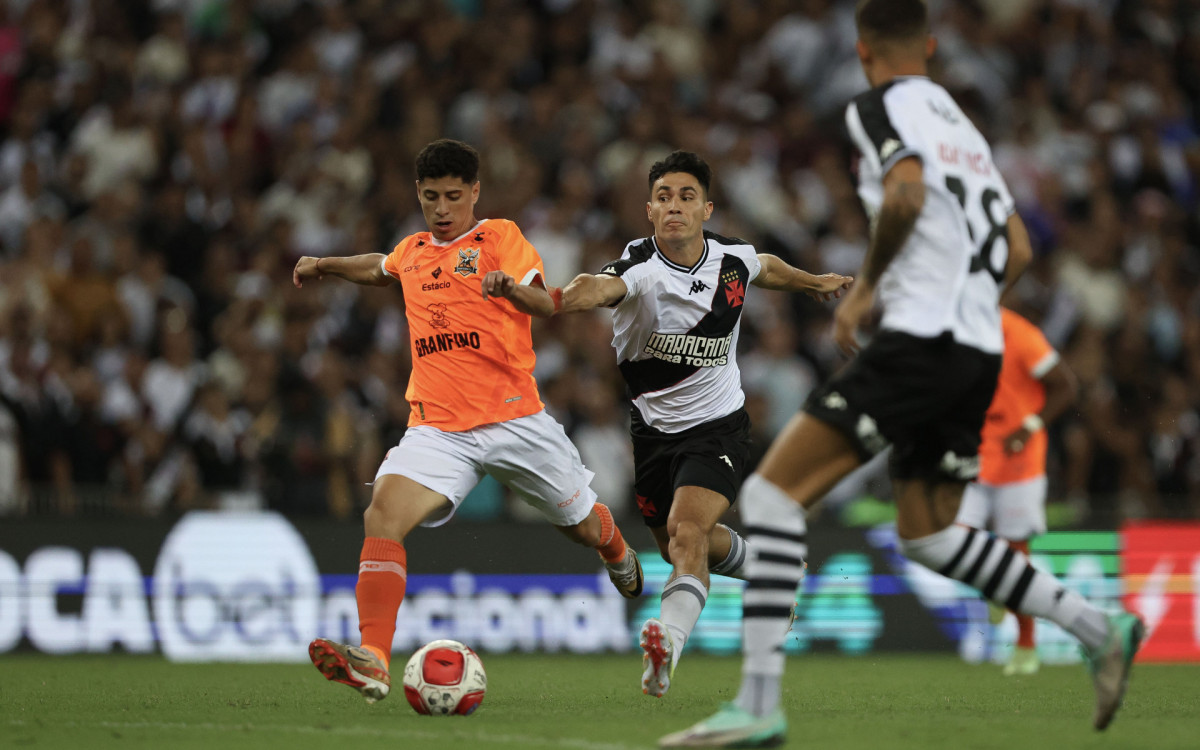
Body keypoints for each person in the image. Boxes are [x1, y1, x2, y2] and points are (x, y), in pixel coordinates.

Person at [660, 2, 1143, 746]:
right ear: (931, 44)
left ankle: (757, 705)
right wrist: (967, 304)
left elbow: (906, 192)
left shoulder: (879, 106)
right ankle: (1097, 626)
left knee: (772, 496)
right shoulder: (965, 130)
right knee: (929, 533)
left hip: (922, 340)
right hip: (976, 350)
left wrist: (867, 296)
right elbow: (1017, 248)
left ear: (862, 52)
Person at [483, 150, 852, 699]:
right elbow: (588, 290)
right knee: (678, 544)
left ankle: (667, 648)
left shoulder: (731, 258)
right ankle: (772, 568)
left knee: (687, 533)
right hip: (652, 433)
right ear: (649, 211)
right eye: (663, 197)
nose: (674, 206)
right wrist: (530, 295)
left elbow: (767, 266)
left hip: (719, 426)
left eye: (685, 196)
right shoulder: (639, 269)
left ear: (706, 208)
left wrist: (812, 282)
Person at [293, 139, 644, 704]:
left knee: (581, 526)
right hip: (438, 428)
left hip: (515, 419)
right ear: (418, 194)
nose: (442, 208)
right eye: (431, 196)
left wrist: (511, 289)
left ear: (475, 192)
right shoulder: (412, 251)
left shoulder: (500, 237)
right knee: (382, 513)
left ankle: (616, 551)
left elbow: (543, 302)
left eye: (454, 196)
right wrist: (325, 265)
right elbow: (379, 268)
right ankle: (374, 657)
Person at [957, 306, 1078, 676]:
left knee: (1017, 556)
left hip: (1019, 460)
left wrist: (1030, 425)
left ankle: (1026, 643)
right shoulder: (953, 328)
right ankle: (993, 585)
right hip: (973, 454)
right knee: (956, 538)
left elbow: (1066, 385)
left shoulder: (1019, 334)